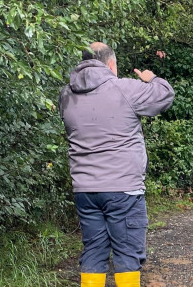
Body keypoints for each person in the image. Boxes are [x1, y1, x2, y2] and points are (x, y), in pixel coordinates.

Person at [59, 42, 175, 287]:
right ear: (110, 63)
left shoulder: (66, 95)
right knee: (127, 254)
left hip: (85, 190)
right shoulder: (125, 88)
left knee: (93, 252)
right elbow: (165, 96)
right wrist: (152, 78)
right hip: (123, 189)